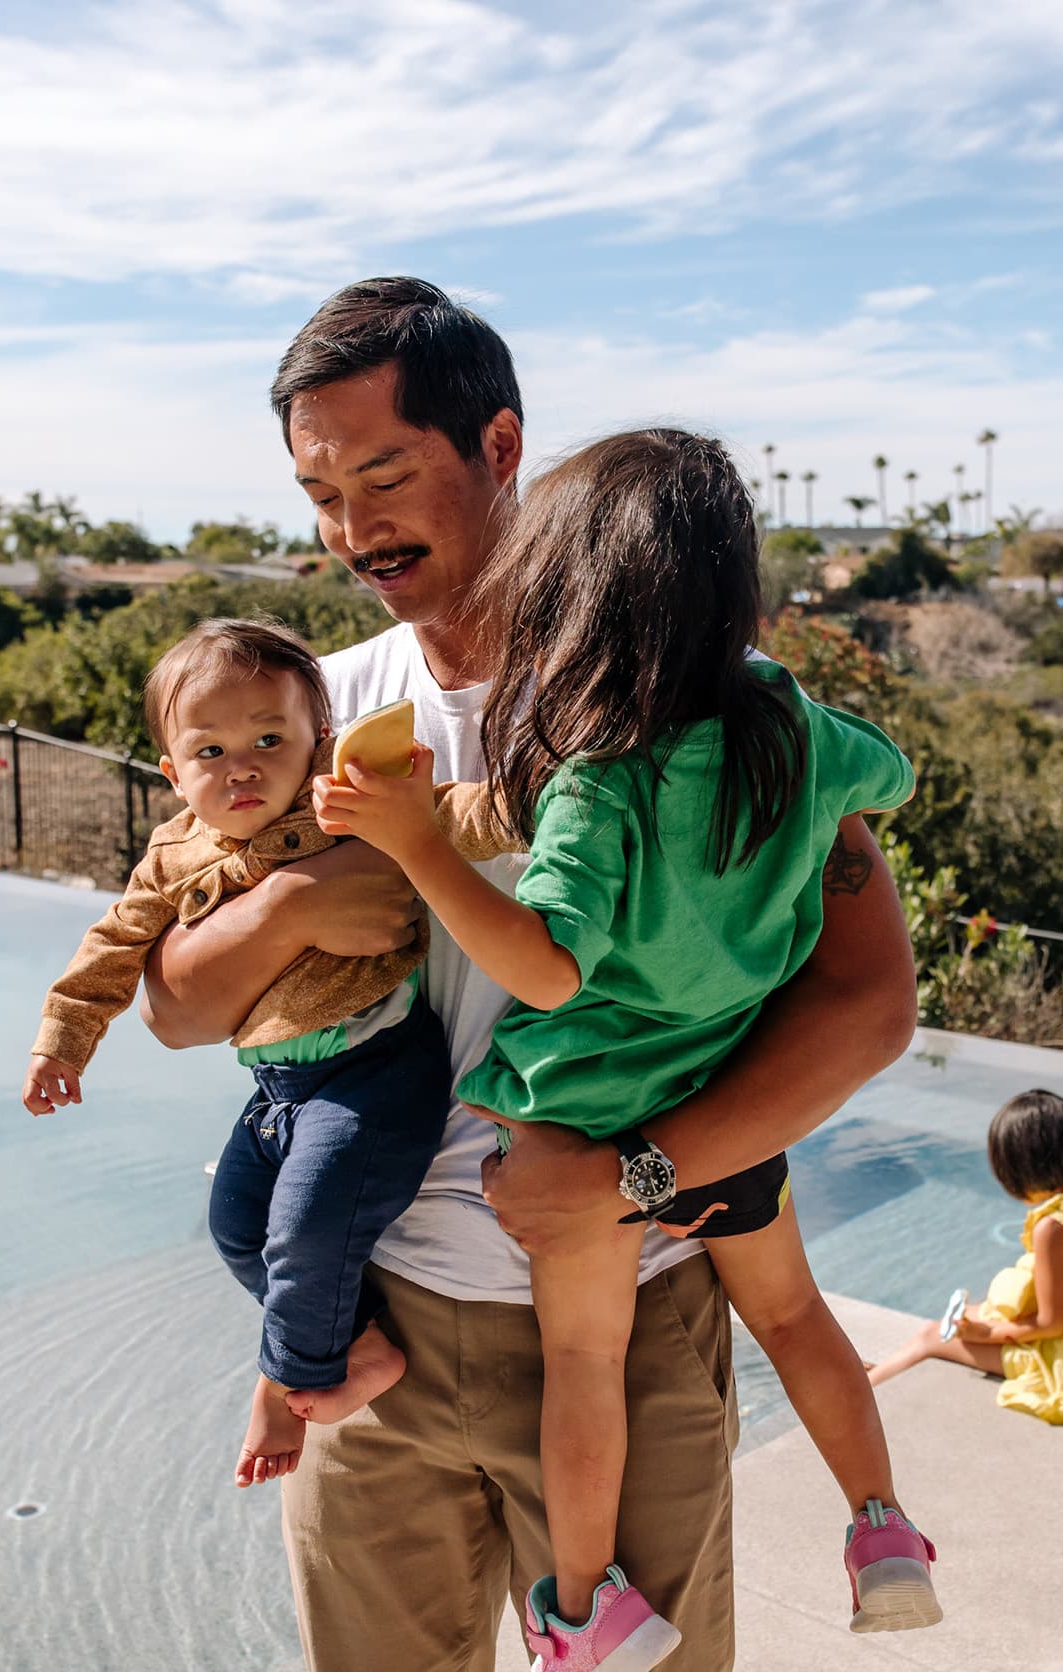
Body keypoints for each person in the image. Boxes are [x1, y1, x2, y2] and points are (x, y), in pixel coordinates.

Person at [140, 277, 918, 1672]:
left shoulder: (695, 701)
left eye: (383, 473)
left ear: (500, 447)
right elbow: (177, 1006)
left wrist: (638, 1175)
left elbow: (867, 1006)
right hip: (376, 1339)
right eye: (320, 491)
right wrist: (298, 902)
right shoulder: (304, 717)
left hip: (634, 1314)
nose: (353, 527)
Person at [312, 427, 939, 1660]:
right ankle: (881, 1525)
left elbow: (547, 963)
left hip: (590, 1114)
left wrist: (415, 839)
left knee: (585, 1366)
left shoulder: (603, 774)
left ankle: (584, 1606)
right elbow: (893, 775)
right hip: (721, 1113)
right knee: (803, 1317)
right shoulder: (799, 733)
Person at [21, 616, 493, 1488]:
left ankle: (291, 1379)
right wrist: (64, 1044)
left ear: (316, 740)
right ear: (172, 770)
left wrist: (532, 804)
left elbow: (455, 814)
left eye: (269, 739)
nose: (241, 767)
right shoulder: (171, 853)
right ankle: (355, 1345)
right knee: (236, 1227)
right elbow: (114, 949)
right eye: (209, 752)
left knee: (306, 1225)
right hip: (280, 1087)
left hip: (377, 1066)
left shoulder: (339, 801)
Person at [868, 1088, 1063, 1425]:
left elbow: (1053, 1322)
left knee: (933, 1335)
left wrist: (988, 1335)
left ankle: (861, 1388)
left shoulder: (1052, 1228)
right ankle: (887, 1367)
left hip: (1056, 1353)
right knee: (963, 1317)